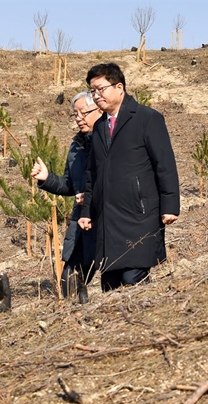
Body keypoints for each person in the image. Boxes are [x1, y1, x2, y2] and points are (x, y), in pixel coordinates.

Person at [78, 63, 180, 292]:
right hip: (108, 219)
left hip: (139, 215)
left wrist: (170, 205)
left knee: (134, 278)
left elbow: (164, 164)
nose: (96, 96)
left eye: (100, 89)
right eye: (92, 91)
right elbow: (92, 173)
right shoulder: (99, 128)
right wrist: (87, 212)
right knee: (111, 285)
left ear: (119, 87)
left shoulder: (147, 118)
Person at [31, 91, 102, 303]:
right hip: (81, 223)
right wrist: (47, 179)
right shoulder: (76, 146)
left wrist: (91, 197)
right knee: (70, 280)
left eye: (84, 113)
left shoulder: (111, 142)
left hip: (107, 220)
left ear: (100, 109)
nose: (79, 118)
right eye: (75, 114)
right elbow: (71, 185)